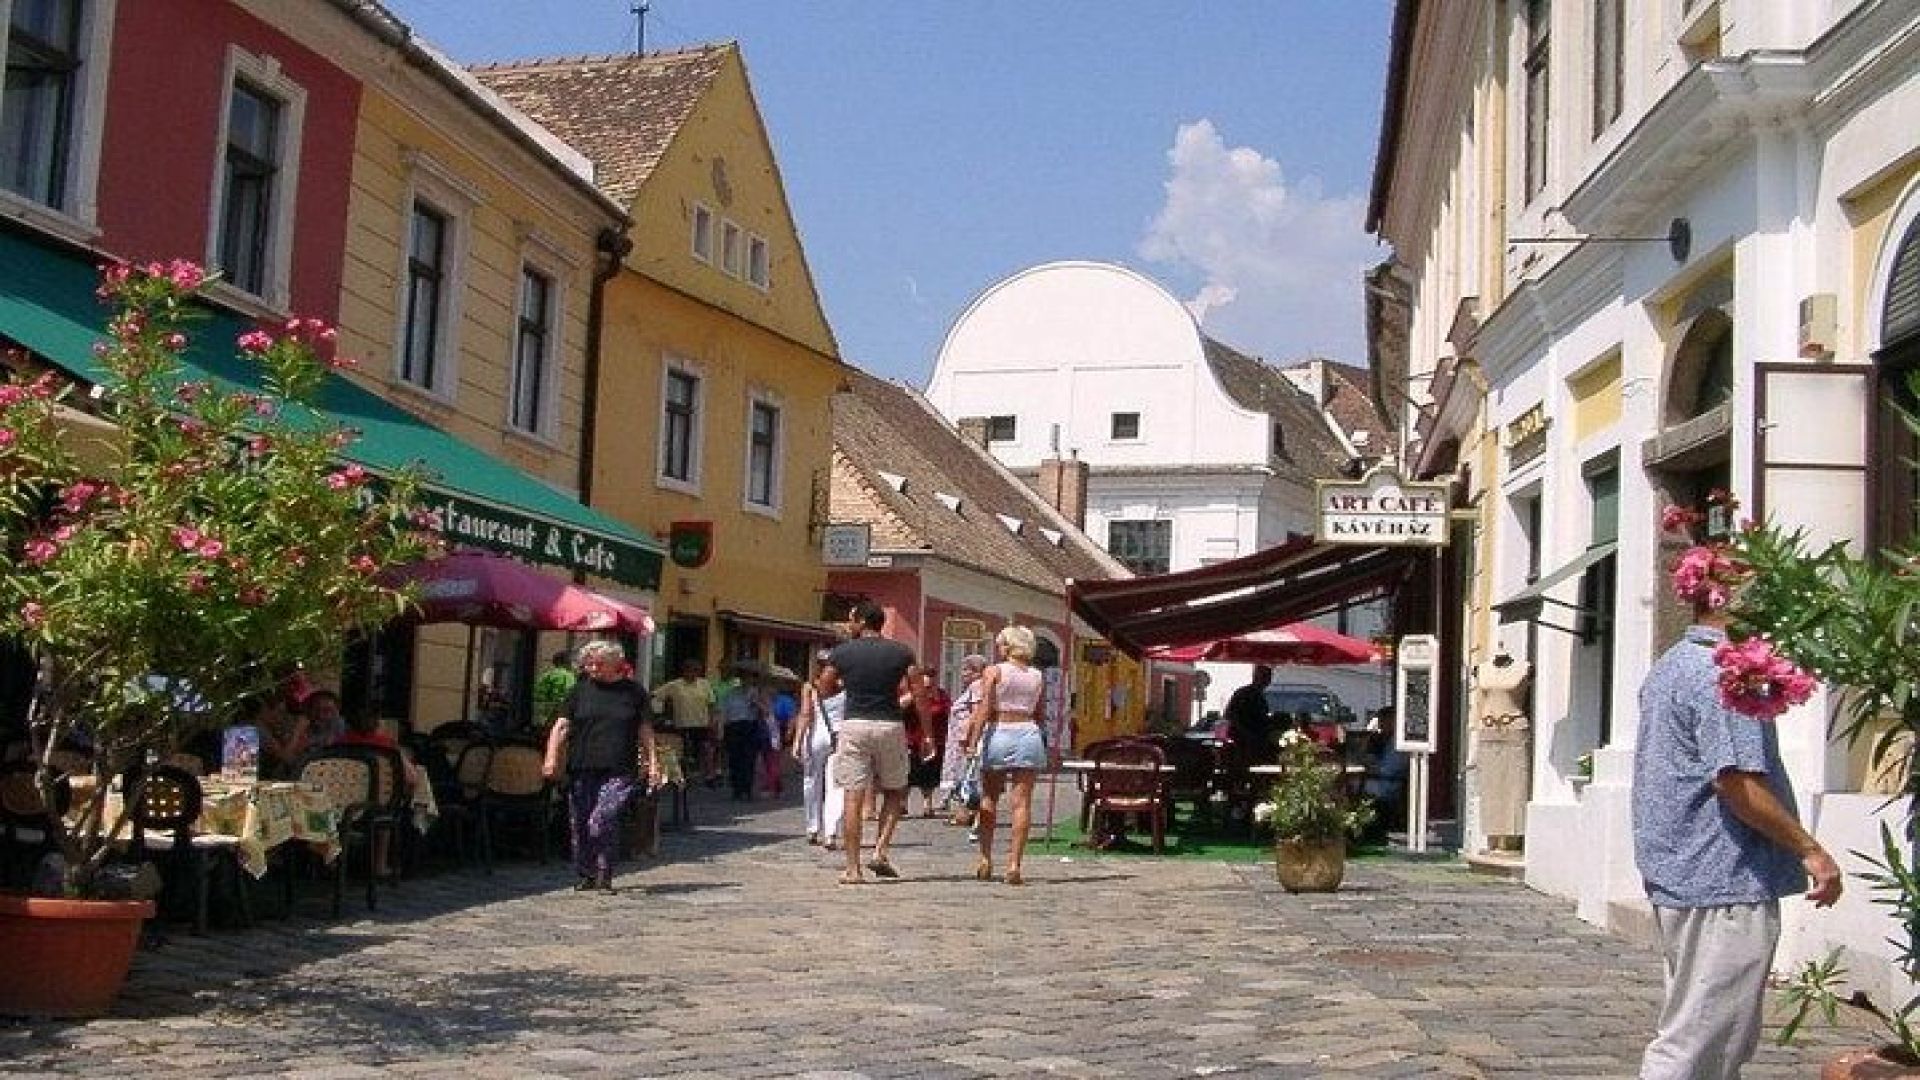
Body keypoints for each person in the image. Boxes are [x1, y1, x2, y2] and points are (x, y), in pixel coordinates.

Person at [1633, 608, 1843, 1079]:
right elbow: (1737, 783)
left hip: (1685, 870)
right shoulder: (1723, 676)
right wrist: (1809, 849)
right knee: (1702, 1042)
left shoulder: (1673, 663)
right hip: (1723, 874)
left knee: (1706, 1033)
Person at [816, 601, 929, 885]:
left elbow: (824, 687)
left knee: (853, 796)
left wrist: (845, 686)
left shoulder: (842, 652)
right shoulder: (901, 652)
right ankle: (880, 849)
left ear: (863, 621)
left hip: (854, 724)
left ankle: (853, 868)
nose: (848, 624)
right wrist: (927, 734)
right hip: (890, 723)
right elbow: (918, 693)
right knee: (895, 789)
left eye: (851, 619)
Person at [541, 640, 660, 893]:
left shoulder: (633, 692)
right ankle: (586, 874)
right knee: (581, 822)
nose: (592, 668)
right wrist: (551, 757)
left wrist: (652, 762)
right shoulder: (579, 691)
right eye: (589, 663)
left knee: (601, 819)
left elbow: (645, 729)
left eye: (598, 663)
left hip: (619, 768)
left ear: (616, 664)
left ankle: (604, 872)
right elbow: (561, 725)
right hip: (582, 765)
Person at [962, 625, 1053, 886]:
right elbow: (1040, 712)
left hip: (1000, 730)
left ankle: (985, 857)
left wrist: (972, 741)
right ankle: (1014, 864)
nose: (999, 647)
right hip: (1028, 732)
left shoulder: (994, 671)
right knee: (1022, 803)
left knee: (990, 797)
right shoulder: (1037, 675)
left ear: (1009, 646)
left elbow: (984, 709)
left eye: (1001, 643)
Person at [792, 650, 846, 848]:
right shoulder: (845, 686)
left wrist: (797, 741)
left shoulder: (810, 686)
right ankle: (830, 832)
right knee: (836, 785)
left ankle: (812, 827)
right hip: (839, 736)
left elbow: (806, 714)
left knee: (811, 781)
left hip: (815, 736)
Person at [651, 658, 714, 793]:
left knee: (705, 749)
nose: (693, 674)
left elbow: (711, 704)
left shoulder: (704, 684)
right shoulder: (675, 685)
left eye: (696, 671)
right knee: (684, 752)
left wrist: (713, 721)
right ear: (684, 671)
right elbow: (656, 695)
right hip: (682, 723)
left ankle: (708, 775)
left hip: (702, 723)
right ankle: (684, 777)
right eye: (690, 671)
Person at [939, 654, 988, 824]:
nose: (963, 673)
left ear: (977, 672)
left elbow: (975, 714)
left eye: (967, 670)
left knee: (966, 776)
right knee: (966, 775)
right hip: (961, 737)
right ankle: (966, 813)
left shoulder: (977, 686)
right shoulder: (977, 687)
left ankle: (964, 814)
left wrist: (969, 739)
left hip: (965, 739)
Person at [719, 666, 769, 801]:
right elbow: (724, 713)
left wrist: (756, 702)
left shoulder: (757, 693)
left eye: (749, 678)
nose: (746, 680)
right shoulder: (730, 693)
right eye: (744, 678)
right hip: (733, 727)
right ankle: (736, 789)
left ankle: (747, 789)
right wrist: (721, 730)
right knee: (734, 759)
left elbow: (766, 712)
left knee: (749, 759)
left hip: (750, 726)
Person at [906, 669, 948, 817]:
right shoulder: (910, 695)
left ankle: (927, 804)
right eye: (925, 684)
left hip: (935, 739)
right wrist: (911, 698)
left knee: (930, 773)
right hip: (912, 739)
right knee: (908, 772)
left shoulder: (941, 695)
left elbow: (947, 711)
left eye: (931, 682)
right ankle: (903, 803)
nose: (928, 687)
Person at [1223, 665, 1276, 766]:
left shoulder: (1260, 696)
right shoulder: (1243, 694)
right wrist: (1246, 734)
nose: (1267, 680)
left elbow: (1262, 717)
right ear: (1255, 677)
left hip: (1256, 739)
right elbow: (1231, 715)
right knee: (1242, 767)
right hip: (1242, 741)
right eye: (1264, 676)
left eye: (1269, 677)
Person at [532, 649, 576, 733]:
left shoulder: (546, 675)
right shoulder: (568, 676)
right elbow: (571, 694)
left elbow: (538, 694)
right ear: (566, 662)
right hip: (561, 712)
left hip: (546, 714)